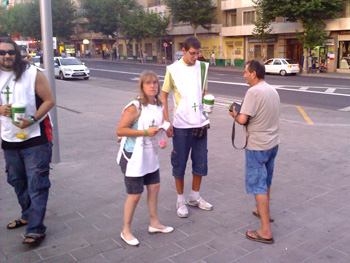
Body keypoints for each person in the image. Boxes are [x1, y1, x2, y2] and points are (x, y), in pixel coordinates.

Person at [0, 37, 55, 246]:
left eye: (10, 52)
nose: (6, 56)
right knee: (17, 181)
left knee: (37, 184)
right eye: (2, 52)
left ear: (17, 53)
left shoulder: (32, 73)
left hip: (35, 139)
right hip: (9, 139)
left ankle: (36, 228)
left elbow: (49, 100)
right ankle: (27, 215)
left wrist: (32, 119)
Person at [116, 71, 174, 246]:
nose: (153, 86)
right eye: (148, 83)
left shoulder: (158, 105)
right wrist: (146, 132)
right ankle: (126, 230)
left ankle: (154, 223)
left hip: (150, 155)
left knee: (154, 188)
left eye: (155, 83)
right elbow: (120, 130)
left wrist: (166, 130)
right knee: (135, 195)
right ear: (142, 86)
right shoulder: (134, 107)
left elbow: (158, 127)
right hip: (133, 157)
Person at [161, 36, 213, 219]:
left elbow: (203, 92)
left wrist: (206, 109)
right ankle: (180, 200)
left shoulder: (203, 68)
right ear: (183, 50)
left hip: (200, 123)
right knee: (180, 163)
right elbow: (164, 95)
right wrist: (167, 121)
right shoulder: (173, 70)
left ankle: (195, 197)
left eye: (198, 53)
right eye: (192, 53)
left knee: (200, 162)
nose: (195, 57)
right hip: (181, 125)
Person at [229, 59, 280, 244]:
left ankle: (266, 231)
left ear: (254, 74)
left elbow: (243, 119)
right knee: (266, 181)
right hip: (272, 143)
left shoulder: (253, 91)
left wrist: (234, 114)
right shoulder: (272, 90)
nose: (244, 75)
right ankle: (261, 211)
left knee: (258, 185)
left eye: (246, 72)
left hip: (257, 146)